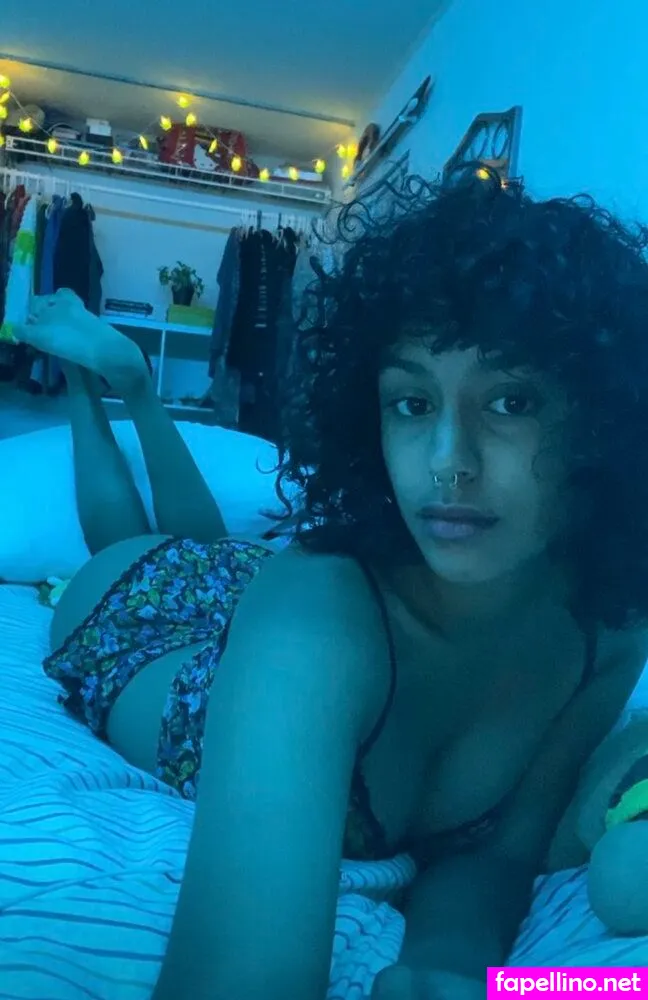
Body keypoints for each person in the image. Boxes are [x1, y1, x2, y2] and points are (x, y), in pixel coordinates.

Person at [14, 166, 648, 1000]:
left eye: (511, 402)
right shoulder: (316, 615)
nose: (448, 463)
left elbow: (499, 854)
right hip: (141, 615)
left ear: (604, 418)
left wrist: (445, 966)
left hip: (257, 589)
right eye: (411, 403)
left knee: (215, 549)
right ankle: (102, 385)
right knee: (136, 547)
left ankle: (128, 387)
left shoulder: (611, 625)